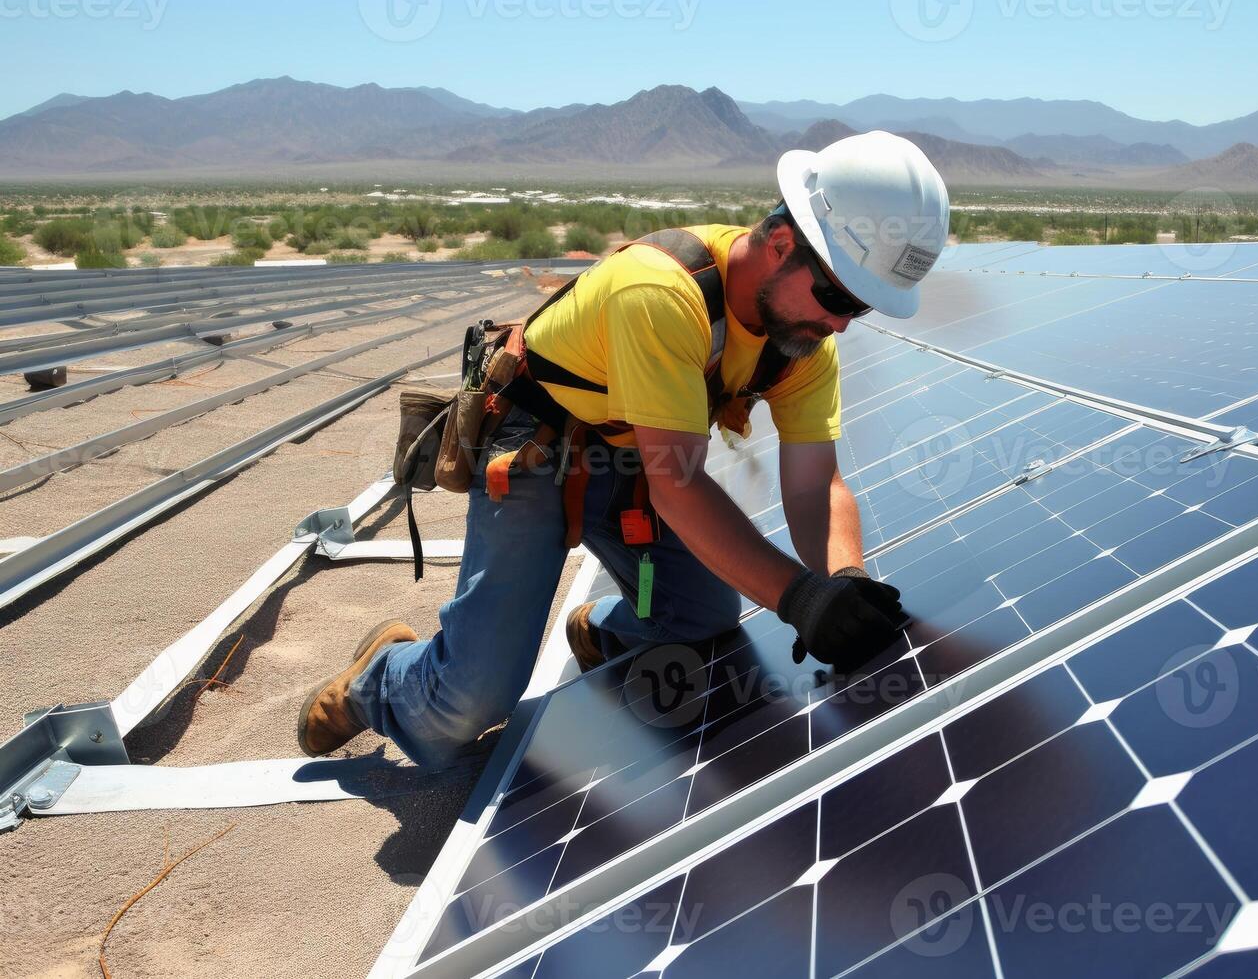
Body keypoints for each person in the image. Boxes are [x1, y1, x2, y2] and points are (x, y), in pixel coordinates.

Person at [297, 131, 951, 769]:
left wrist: (846, 579)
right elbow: (680, 486)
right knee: (469, 704)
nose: (838, 324)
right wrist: (801, 601)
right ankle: (381, 678)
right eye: (835, 296)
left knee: (703, 618)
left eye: (858, 309)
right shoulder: (663, 291)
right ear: (782, 244)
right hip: (537, 444)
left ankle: (601, 630)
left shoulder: (801, 341)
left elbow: (814, 487)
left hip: (634, 453)